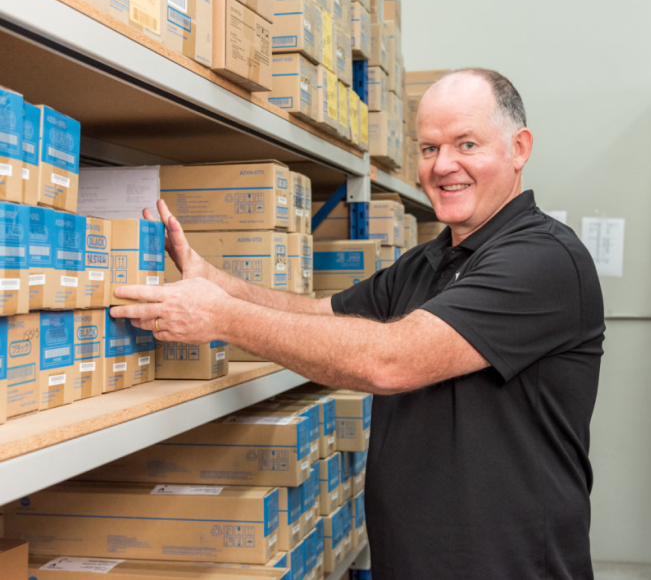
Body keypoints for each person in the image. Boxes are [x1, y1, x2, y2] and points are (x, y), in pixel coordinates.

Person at [111, 68, 605, 580]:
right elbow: (317, 315)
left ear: (519, 148)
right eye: (430, 148)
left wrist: (221, 317)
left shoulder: (543, 260)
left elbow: (390, 361)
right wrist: (214, 282)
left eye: (466, 144)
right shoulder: (426, 263)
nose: (443, 166)